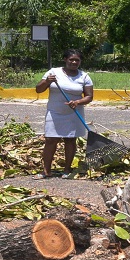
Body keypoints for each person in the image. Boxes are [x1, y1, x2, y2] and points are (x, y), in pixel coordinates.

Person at [34, 49, 93, 179]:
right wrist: (47, 81)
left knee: (70, 140)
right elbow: (39, 89)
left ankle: (67, 170)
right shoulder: (53, 72)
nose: (74, 62)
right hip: (54, 112)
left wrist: (77, 102)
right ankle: (46, 170)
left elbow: (89, 97)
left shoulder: (84, 76)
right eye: (71, 59)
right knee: (50, 140)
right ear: (65, 59)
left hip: (74, 112)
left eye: (77, 60)